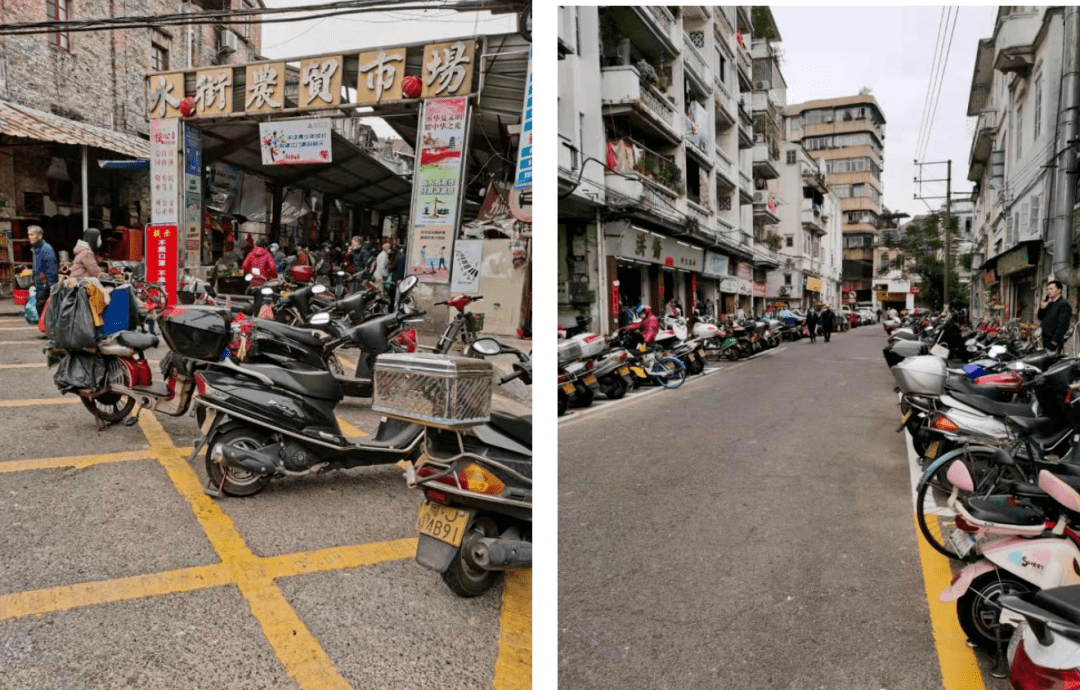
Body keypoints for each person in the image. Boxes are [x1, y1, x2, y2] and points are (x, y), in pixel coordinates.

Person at [28, 226, 57, 338]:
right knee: (41, 306)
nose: (30, 237)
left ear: (40, 235)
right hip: (40, 283)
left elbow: (51, 268)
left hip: (46, 284)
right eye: (29, 234)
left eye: (32, 234)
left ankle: (50, 333)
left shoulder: (46, 248)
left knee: (44, 307)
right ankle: (48, 332)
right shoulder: (37, 249)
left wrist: (50, 285)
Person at [1038, 280, 1073, 353]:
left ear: (1059, 290)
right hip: (1045, 339)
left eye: (1051, 289)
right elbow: (1040, 317)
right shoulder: (1050, 303)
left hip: (1053, 343)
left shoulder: (1063, 304)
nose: (1049, 291)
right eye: (1047, 289)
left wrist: (1054, 342)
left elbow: (1062, 326)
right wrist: (1042, 307)